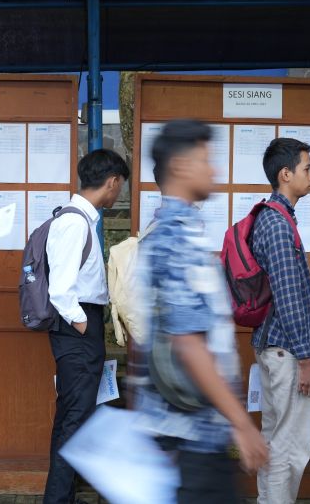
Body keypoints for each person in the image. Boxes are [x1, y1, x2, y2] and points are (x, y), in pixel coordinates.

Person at [133, 119, 267, 503]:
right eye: (206, 160)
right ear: (179, 167)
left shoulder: (172, 232)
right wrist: (242, 424)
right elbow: (188, 344)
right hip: (191, 435)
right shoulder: (176, 237)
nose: (214, 170)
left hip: (187, 432)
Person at [43, 148, 129, 504]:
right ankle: (58, 498)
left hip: (82, 326)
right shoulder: (74, 222)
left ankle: (61, 495)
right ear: (111, 182)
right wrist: (83, 327)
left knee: (73, 417)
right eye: (119, 185)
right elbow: (61, 290)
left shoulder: (80, 218)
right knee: (75, 420)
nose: (119, 193)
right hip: (77, 327)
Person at [251, 137, 310, 504]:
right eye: (307, 168)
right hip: (287, 353)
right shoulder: (278, 225)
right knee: (289, 450)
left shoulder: (277, 218)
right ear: (285, 174)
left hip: (276, 349)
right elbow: (289, 297)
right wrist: (306, 360)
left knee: (275, 441)